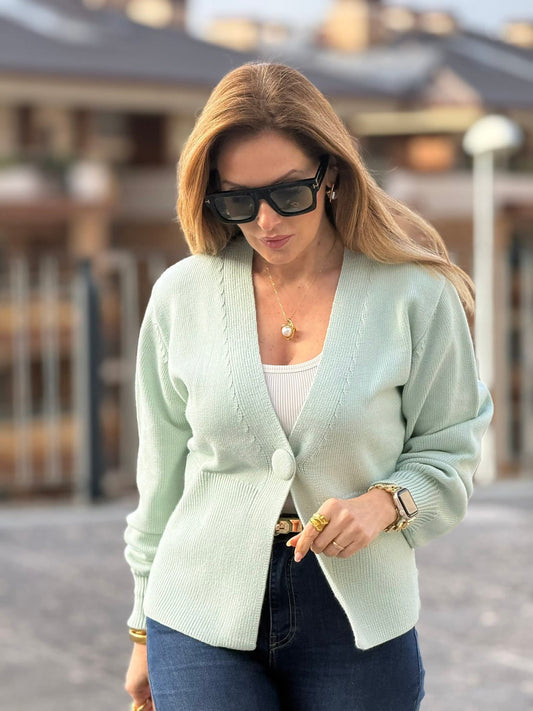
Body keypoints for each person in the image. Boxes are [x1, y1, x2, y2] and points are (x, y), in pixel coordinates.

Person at [124, 62, 492, 711]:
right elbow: (161, 477)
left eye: (289, 192)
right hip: (198, 606)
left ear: (332, 175)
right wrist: (140, 629)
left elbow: (452, 445)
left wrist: (386, 503)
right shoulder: (181, 296)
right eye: (238, 200)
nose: (266, 220)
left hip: (356, 616)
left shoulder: (415, 294)